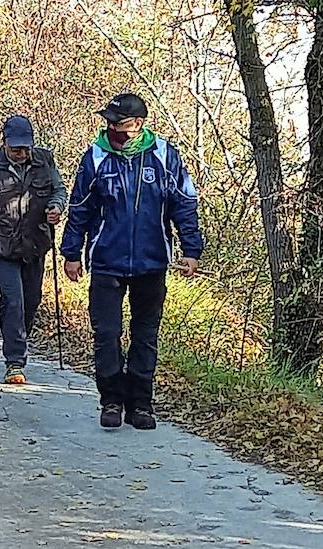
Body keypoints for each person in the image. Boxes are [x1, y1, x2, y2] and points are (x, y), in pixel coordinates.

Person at [61, 93, 203, 431]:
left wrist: (191, 250)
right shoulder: (95, 156)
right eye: (110, 122)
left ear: (139, 125)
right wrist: (71, 253)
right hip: (107, 260)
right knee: (106, 334)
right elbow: (79, 207)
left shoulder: (165, 156)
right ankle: (111, 399)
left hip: (151, 261)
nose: (113, 129)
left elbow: (184, 203)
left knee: (145, 335)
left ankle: (141, 403)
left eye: (120, 123)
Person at [0, 116, 66, 385]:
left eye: (25, 148)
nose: (21, 153)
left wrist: (56, 208)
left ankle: (17, 340)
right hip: (0, 247)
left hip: (35, 244)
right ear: (4, 143)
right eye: (16, 148)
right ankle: (15, 362)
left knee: (31, 301)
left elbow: (59, 190)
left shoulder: (45, 161)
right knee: (14, 301)